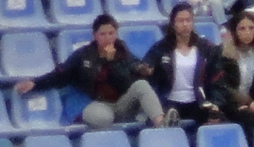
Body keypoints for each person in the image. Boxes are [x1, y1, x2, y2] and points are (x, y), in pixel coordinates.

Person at [15, 16, 162, 132]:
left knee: (142, 85)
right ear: (95, 36)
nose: (107, 38)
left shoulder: (123, 52)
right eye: (102, 34)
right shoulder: (83, 55)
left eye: (111, 33)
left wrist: (113, 62)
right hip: (94, 103)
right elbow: (60, 75)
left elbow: (127, 81)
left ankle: (161, 124)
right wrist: (35, 83)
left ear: (116, 34)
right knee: (104, 118)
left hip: (122, 102)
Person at [141, 6, 221, 129]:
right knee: (164, 116)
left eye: (188, 20)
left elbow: (216, 77)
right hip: (169, 100)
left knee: (216, 117)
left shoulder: (205, 47)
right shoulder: (161, 47)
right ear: (173, 24)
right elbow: (147, 67)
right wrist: (147, 70)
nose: (185, 24)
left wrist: (215, 103)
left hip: (197, 101)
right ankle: (169, 120)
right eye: (180, 21)